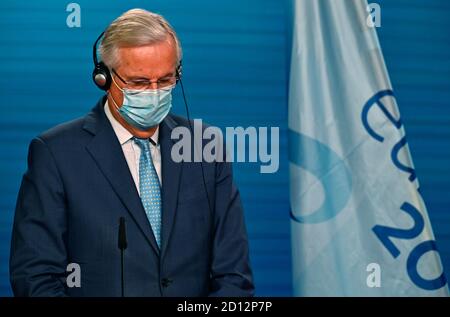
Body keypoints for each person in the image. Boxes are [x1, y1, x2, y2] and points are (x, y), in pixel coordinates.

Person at [9, 8, 254, 297]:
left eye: (164, 81)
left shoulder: (205, 147)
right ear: (104, 78)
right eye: (138, 83)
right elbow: (36, 278)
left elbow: (234, 277)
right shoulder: (55, 154)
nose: (153, 92)